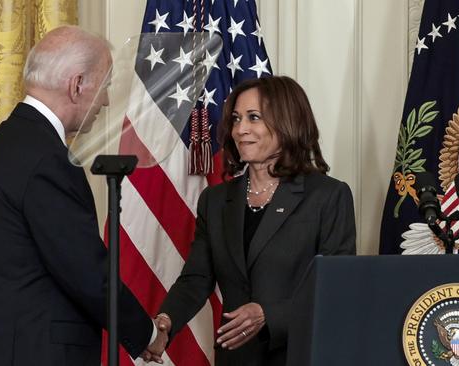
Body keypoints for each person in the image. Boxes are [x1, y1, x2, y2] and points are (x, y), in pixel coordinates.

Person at [0, 26, 166, 365]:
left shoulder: (0, 144)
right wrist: (147, 334)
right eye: (105, 85)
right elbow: (85, 270)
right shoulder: (46, 159)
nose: (107, 101)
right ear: (77, 85)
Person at [146, 76, 356, 365]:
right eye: (236, 119)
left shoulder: (328, 195)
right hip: (236, 358)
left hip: (301, 353)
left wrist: (268, 315)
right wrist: (166, 323)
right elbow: (196, 278)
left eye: (253, 118)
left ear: (288, 122)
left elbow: (338, 290)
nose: (240, 130)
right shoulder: (216, 200)